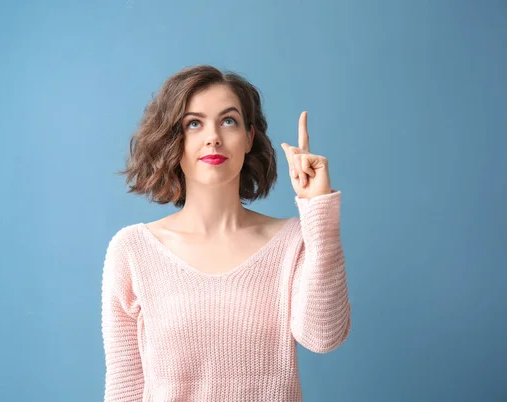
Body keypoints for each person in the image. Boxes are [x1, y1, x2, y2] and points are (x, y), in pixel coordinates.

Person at [101, 65, 351, 401]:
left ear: (249, 138)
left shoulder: (292, 242)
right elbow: (125, 386)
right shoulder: (132, 250)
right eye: (194, 123)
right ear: (173, 140)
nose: (213, 136)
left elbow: (324, 336)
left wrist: (318, 209)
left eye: (228, 120)